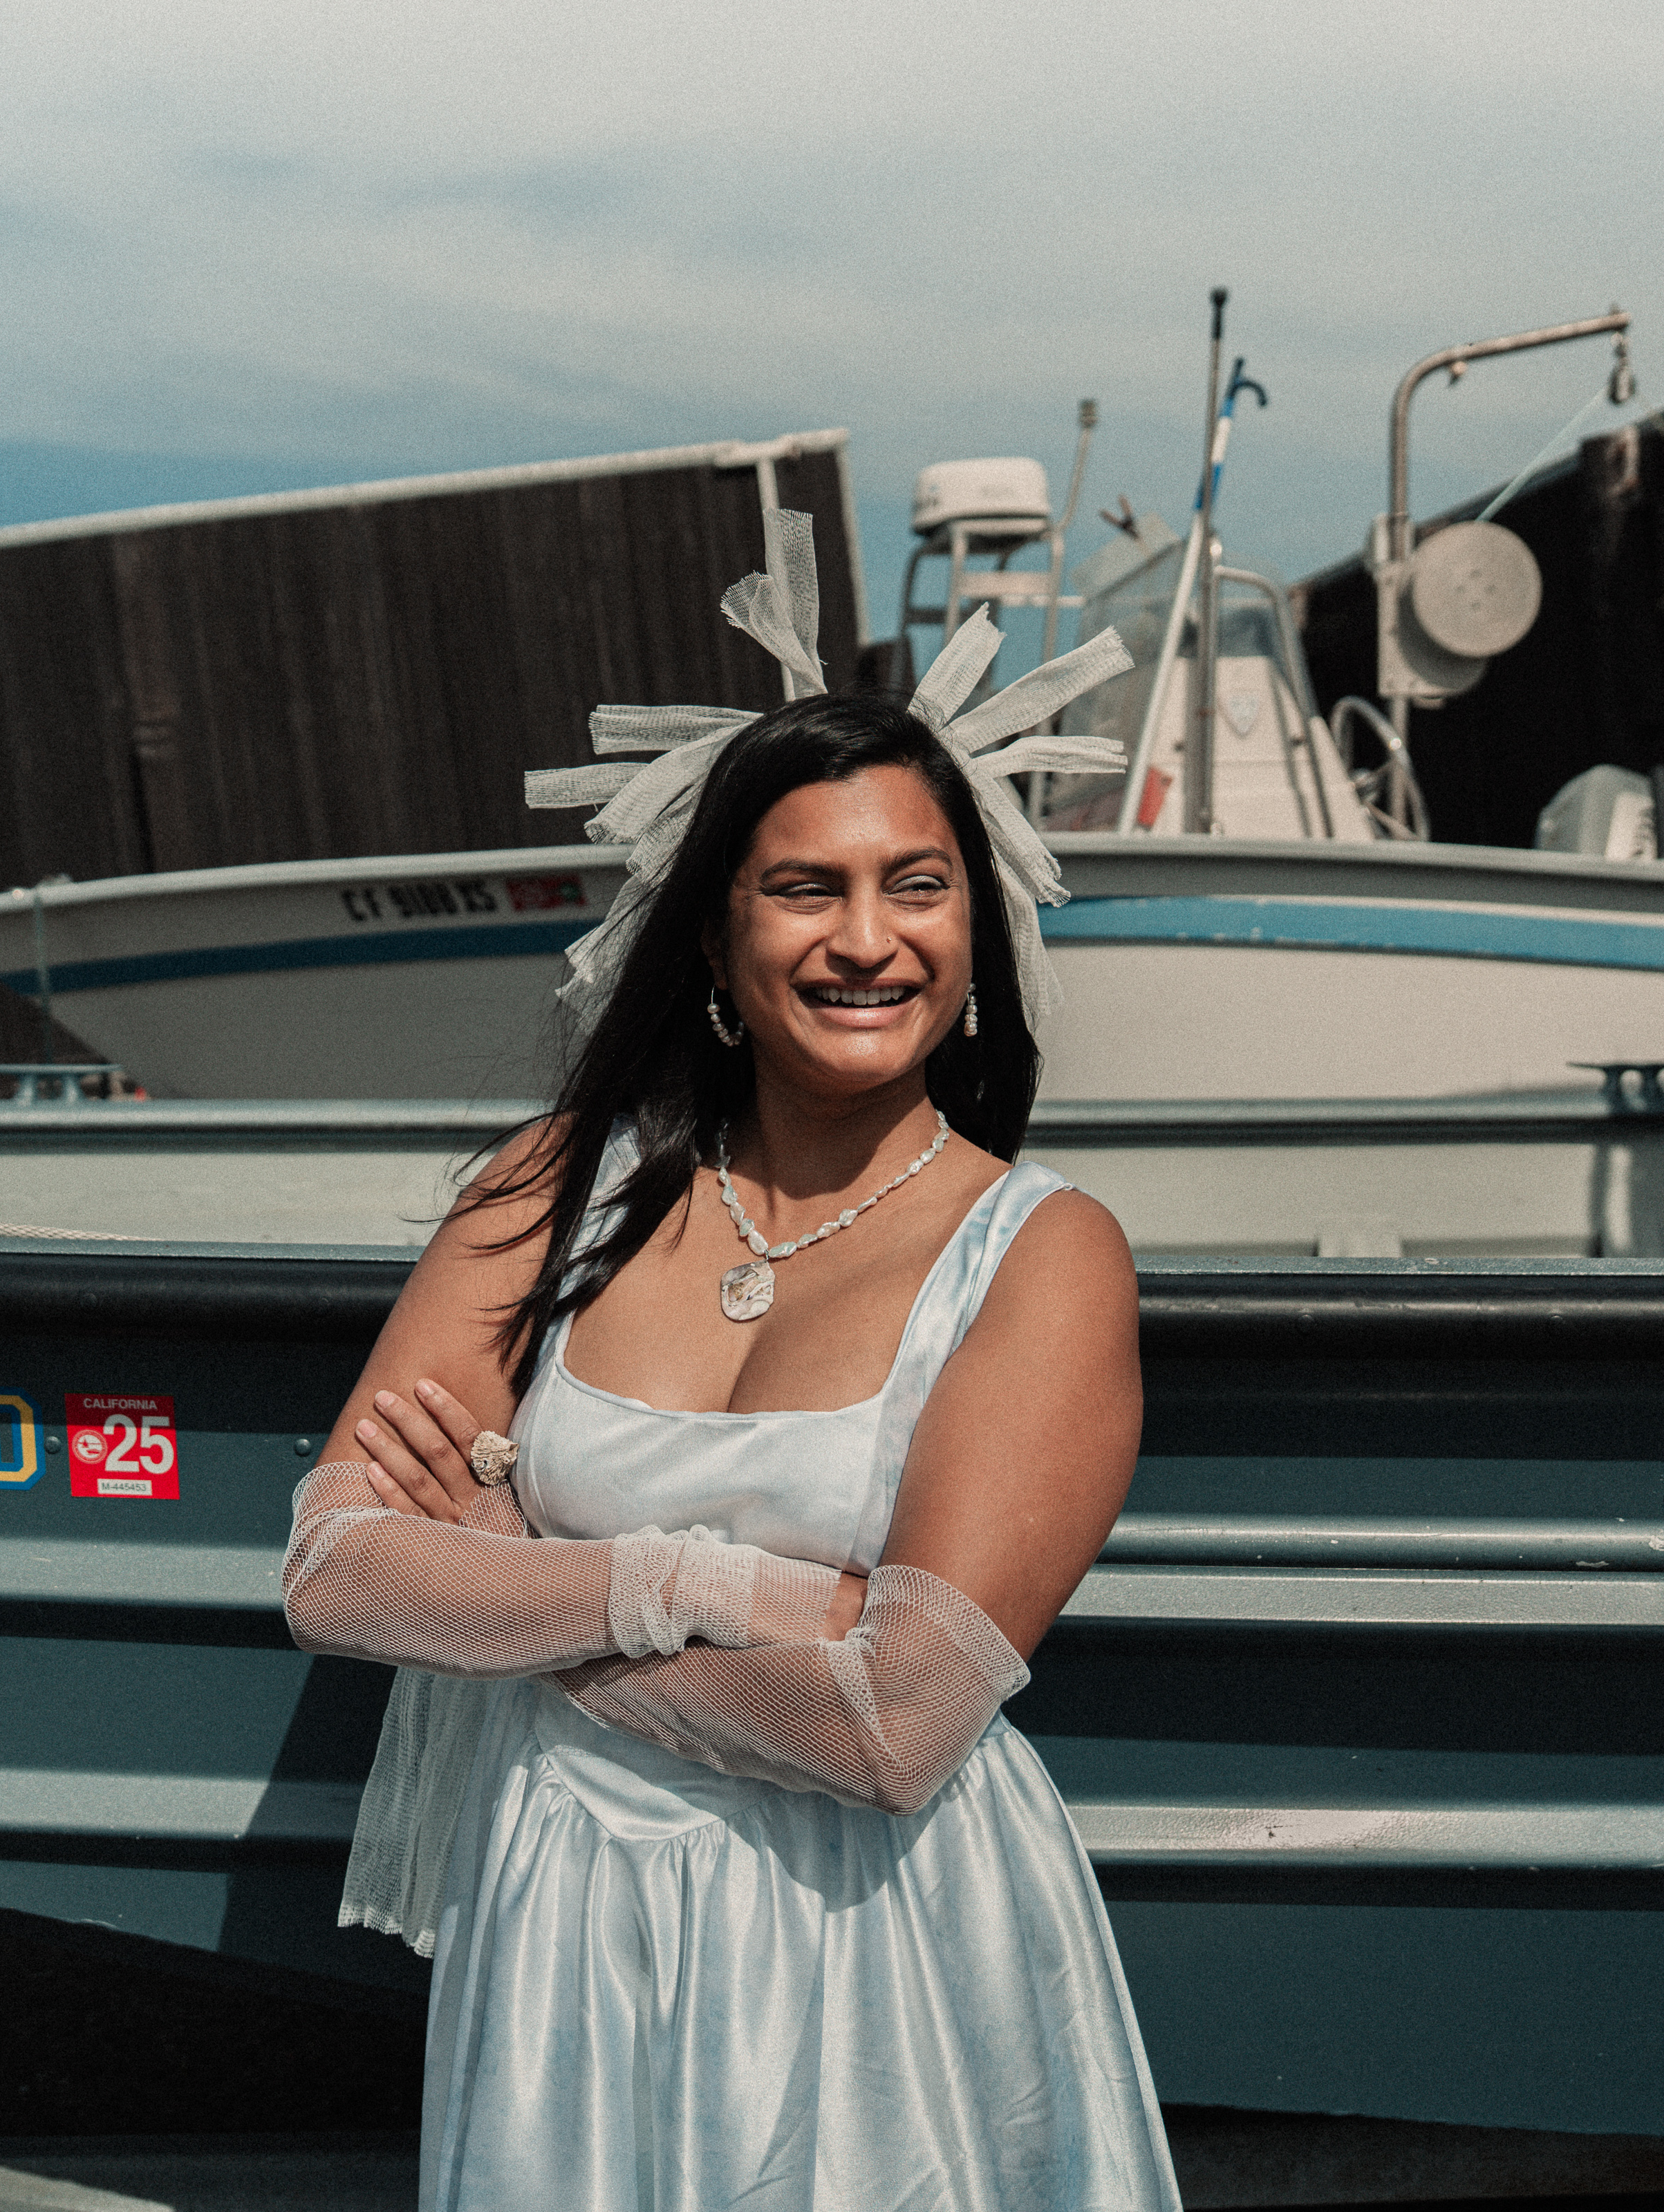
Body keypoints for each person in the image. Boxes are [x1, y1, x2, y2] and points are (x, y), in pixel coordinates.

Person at [281, 515, 1183, 2211]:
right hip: (565, 1915)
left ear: (975, 934)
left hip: (877, 1950)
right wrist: (717, 1590)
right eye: (804, 886)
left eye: (916, 885)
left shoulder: (1043, 1252)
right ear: (712, 938)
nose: (866, 938)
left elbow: (891, 1723)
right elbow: (335, 1571)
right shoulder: (545, 1195)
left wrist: (510, 1594)